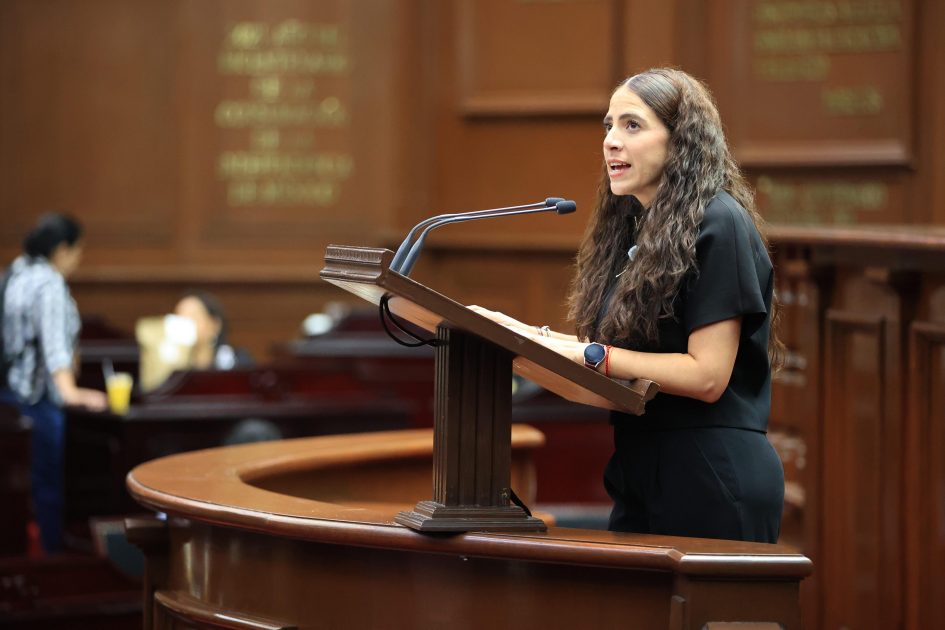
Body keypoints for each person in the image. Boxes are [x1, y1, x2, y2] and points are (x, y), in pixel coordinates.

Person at [472, 68, 785, 543]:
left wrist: (591, 354)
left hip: (713, 475)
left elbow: (707, 376)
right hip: (643, 469)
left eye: (632, 125)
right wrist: (517, 337)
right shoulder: (641, 230)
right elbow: (603, 379)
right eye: (609, 126)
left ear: (680, 141)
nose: (611, 141)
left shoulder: (720, 223)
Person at [0, 213, 107, 553]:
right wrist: (70, 391)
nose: (79, 259)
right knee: (46, 487)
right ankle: (50, 560)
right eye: (78, 251)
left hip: (8, 395)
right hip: (37, 399)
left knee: (16, 490)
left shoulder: (16, 271)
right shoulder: (49, 283)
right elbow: (53, 344)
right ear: (62, 249)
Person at [173, 291, 253, 370]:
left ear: (215, 324)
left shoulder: (238, 361)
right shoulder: (169, 364)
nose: (184, 324)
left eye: (193, 317)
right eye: (179, 317)